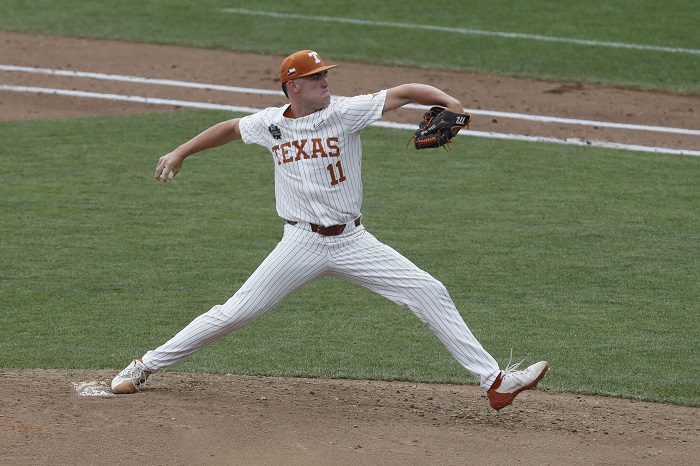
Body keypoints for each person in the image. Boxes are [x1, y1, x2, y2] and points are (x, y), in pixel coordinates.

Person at [111, 50, 549, 410]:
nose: (327, 82)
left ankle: (494, 381)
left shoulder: (345, 112)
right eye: (318, 77)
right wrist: (180, 152)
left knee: (427, 290)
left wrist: (452, 104)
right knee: (237, 312)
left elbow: (407, 91)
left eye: (326, 75)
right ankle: (145, 365)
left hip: (353, 241)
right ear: (293, 86)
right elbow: (228, 128)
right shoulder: (271, 124)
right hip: (300, 242)